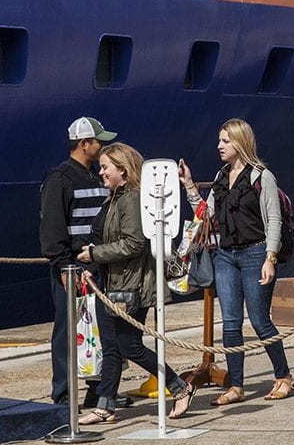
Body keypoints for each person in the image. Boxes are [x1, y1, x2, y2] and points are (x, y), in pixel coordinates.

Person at [76, 143, 196, 423]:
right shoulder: (115, 197)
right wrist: (95, 265)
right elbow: (110, 239)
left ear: (123, 169)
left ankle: (181, 387)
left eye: (106, 167)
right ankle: (104, 405)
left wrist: (94, 254)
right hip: (112, 282)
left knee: (129, 346)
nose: (101, 171)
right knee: (111, 347)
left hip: (131, 286)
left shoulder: (131, 199)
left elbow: (133, 244)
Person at [179, 118, 294, 405]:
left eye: (225, 141)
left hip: (256, 253)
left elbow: (274, 219)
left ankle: (283, 376)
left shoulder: (261, 176)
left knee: (260, 321)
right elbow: (206, 216)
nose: (219, 146)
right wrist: (189, 186)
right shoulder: (221, 177)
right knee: (230, 323)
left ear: (240, 143)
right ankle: (237, 385)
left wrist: (270, 257)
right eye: (220, 140)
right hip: (226, 256)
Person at [39, 116, 116, 406]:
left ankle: (99, 391)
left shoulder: (97, 177)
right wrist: (61, 265)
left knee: (99, 330)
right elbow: (52, 228)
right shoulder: (60, 179)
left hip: (98, 264)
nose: (103, 146)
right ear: (85, 144)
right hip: (72, 267)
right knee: (67, 331)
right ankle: (63, 394)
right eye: (99, 141)